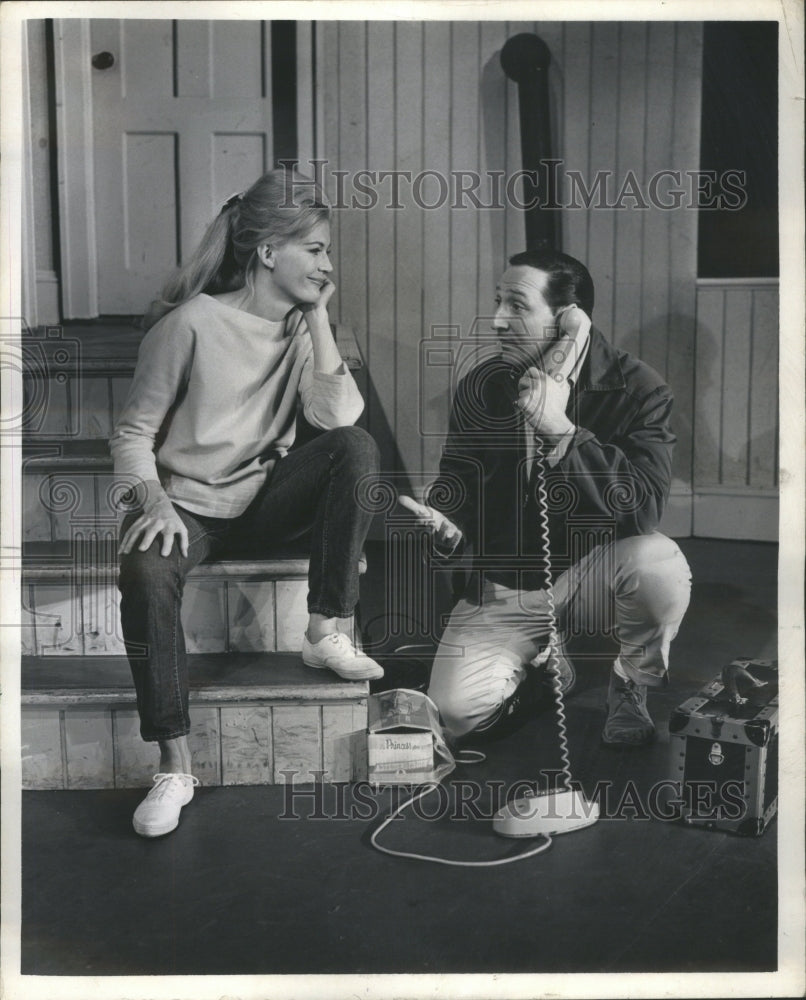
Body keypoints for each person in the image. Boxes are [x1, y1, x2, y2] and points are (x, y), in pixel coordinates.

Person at [111, 169, 382, 838]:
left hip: (262, 500)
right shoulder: (192, 324)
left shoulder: (301, 330)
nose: (327, 264)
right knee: (145, 574)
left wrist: (318, 316)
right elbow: (132, 434)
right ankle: (174, 765)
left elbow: (339, 414)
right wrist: (153, 503)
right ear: (267, 252)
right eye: (315, 249)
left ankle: (326, 629)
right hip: (185, 506)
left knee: (355, 447)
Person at [400, 248, 691, 747]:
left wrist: (561, 429)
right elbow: (457, 486)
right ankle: (544, 675)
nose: (496, 321)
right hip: (505, 584)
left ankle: (629, 684)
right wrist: (449, 526)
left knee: (657, 563)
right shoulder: (484, 386)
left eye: (516, 305)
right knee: (456, 715)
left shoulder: (639, 389)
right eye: (497, 302)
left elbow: (642, 507)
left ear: (569, 320)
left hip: (592, 577)